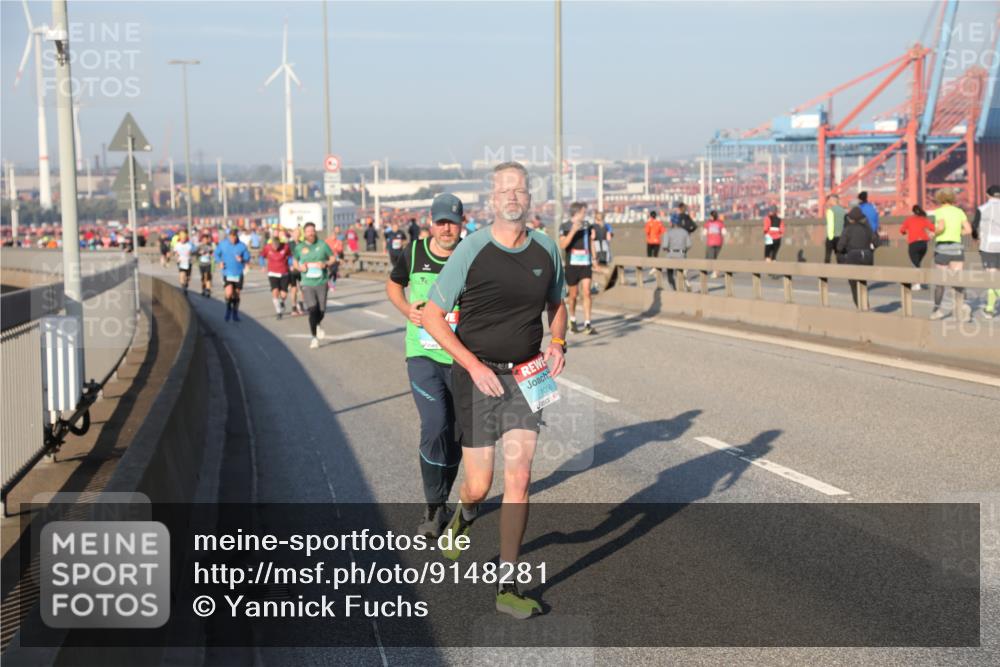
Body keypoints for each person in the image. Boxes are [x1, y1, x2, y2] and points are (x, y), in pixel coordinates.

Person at [423, 161, 566, 620]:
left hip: (529, 374)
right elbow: (430, 315)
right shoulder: (472, 248)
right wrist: (469, 363)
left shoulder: (546, 248)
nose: (512, 196)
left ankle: (508, 584)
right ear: (492, 199)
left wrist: (558, 341)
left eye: (519, 189)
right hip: (477, 374)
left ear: (529, 198)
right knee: (480, 485)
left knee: (520, 476)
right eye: (504, 189)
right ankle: (463, 517)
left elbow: (557, 304)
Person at [386, 194, 464, 538]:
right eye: (441, 221)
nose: (446, 228)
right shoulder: (415, 252)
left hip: (462, 358)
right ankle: (433, 508)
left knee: (459, 436)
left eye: (453, 222)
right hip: (424, 355)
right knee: (435, 425)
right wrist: (407, 311)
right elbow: (393, 285)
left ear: (462, 223)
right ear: (430, 221)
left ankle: (443, 498)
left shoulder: (472, 254)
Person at [928, 190, 973, 321]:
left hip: (943, 248)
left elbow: (941, 227)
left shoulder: (940, 211)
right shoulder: (959, 212)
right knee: (958, 280)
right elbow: (969, 230)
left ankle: (937, 311)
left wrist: (933, 233)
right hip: (957, 248)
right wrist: (956, 232)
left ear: (940, 199)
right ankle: (963, 308)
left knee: (940, 282)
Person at [293, 222, 337, 348]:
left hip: (322, 282)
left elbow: (333, 258)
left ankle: (317, 325)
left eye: (312, 231)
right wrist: (300, 268)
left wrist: (326, 264)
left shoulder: (322, 245)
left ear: (315, 232)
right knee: (312, 310)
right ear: (304, 233)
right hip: (307, 283)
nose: (310, 233)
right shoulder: (299, 247)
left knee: (321, 311)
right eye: (308, 231)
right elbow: (295, 262)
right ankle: (314, 338)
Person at [559, 202, 597, 335]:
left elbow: (591, 242)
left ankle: (588, 323)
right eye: (583, 212)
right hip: (572, 265)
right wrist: (573, 231)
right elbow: (563, 245)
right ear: (577, 212)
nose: (585, 214)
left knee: (587, 292)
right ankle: (573, 320)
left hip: (586, 263)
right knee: (573, 295)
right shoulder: (564, 226)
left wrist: (595, 258)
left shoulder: (587, 225)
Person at [836, 207, 875, 307]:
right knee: (863, 282)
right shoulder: (867, 228)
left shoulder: (848, 229)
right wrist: (869, 250)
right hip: (867, 257)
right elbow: (877, 242)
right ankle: (866, 304)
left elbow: (840, 247)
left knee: (853, 284)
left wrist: (842, 255)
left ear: (851, 218)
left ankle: (860, 306)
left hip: (853, 258)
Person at [972, 184, 1000, 318]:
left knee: (992, 278)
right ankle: (990, 306)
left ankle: (989, 309)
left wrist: (976, 238)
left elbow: (974, 226)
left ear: (987, 195)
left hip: (988, 248)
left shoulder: (981, 209)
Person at [214, 228, 251, 322]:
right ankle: (228, 309)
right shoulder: (223, 244)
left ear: (237, 236)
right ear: (229, 236)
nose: (233, 239)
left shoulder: (242, 246)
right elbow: (216, 254)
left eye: (234, 237)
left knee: (237, 294)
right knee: (229, 293)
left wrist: (242, 259)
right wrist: (220, 262)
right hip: (227, 272)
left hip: (238, 273)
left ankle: (235, 312)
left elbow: (247, 257)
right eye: (231, 237)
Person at [899, 205, 935, 291]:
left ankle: (917, 284)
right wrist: (930, 235)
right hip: (923, 244)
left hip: (913, 244)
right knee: (918, 263)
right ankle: (920, 282)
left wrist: (905, 233)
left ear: (913, 212)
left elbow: (902, 230)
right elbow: (933, 228)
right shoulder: (924, 219)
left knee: (915, 264)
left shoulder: (909, 219)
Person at [261, 234, 292, 319]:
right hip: (272, 273)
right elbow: (261, 256)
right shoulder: (267, 247)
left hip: (284, 272)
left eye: (277, 246)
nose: (275, 248)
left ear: (279, 243)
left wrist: (290, 264)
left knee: (284, 294)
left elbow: (290, 256)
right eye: (274, 246)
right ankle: (278, 312)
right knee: (275, 292)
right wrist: (263, 266)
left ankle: (282, 302)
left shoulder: (285, 247)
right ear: (271, 244)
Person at [663, 216, 692, 290]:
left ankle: (674, 288)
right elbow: (689, 245)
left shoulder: (668, 232)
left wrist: (668, 249)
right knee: (681, 271)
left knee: (669, 273)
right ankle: (685, 282)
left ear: (671, 223)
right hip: (682, 254)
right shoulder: (685, 232)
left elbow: (665, 246)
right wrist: (683, 250)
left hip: (671, 255)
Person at [702, 210, 726, 277]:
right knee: (715, 256)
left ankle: (715, 271)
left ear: (712, 216)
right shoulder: (720, 223)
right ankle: (714, 271)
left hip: (711, 242)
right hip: (719, 242)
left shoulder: (708, 223)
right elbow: (724, 232)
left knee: (711, 257)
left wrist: (709, 234)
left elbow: (704, 233)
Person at [824, 194, 846, 264]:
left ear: (832, 200)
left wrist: (829, 239)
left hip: (832, 237)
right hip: (841, 237)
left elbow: (830, 225)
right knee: (840, 256)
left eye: (829, 200)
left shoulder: (830, 211)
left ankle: (825, 273)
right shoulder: (843, 211)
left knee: (828, 257)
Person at [172, 229, 195, 294]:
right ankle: (183, 286)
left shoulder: (189, 244)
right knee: (182, 274)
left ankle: (186, 284)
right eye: (182, 238)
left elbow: (194, 250)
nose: (183, 239)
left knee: (188, 277)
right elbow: (174, 252)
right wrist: (177, 256)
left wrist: (191, 253)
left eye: (184, 238)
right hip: (181, 262)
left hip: (188, 262)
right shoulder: (177, 245)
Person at [644, 210, 665, 277]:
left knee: (649, 255)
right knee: (655, 255)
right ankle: (655, 268)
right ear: (655, 216)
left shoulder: (649, 223)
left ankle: (654, 268)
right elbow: (663, 231)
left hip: (650, 241)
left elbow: (647, 231)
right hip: (657, 241)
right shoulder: (659, 223)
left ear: (650, 216)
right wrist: (657, 234)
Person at [195, 231, 215, 297]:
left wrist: (212, 254)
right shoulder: (199, 246)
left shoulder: (210, 246)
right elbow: (195, 254)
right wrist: (199, 253)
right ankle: (203, 289)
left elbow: (213, 253)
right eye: (204, 239)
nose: (205, 240)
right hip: (201, 264)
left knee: (208, 277)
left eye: (206, 239)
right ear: (202, 240)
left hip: (208, 264)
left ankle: (208, 290)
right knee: (203, 278)